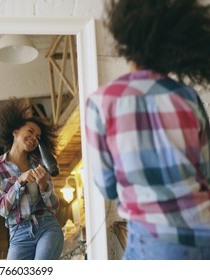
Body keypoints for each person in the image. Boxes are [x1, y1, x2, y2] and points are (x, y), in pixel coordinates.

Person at [85, 0, 210, 259]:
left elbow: (107, 186)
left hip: (155, 238)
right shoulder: (186, 96)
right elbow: (206, 171)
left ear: (127, 42)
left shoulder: (102, 101)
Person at [0, 99, 64, 260]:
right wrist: (19, 182)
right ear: (15, 132)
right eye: (30, 131)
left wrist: (44, 186)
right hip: (18, 235)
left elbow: (54, 207)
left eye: (38, 137)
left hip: (47, 227)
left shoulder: (40, 164)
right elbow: (2, 209)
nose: (34, 138)